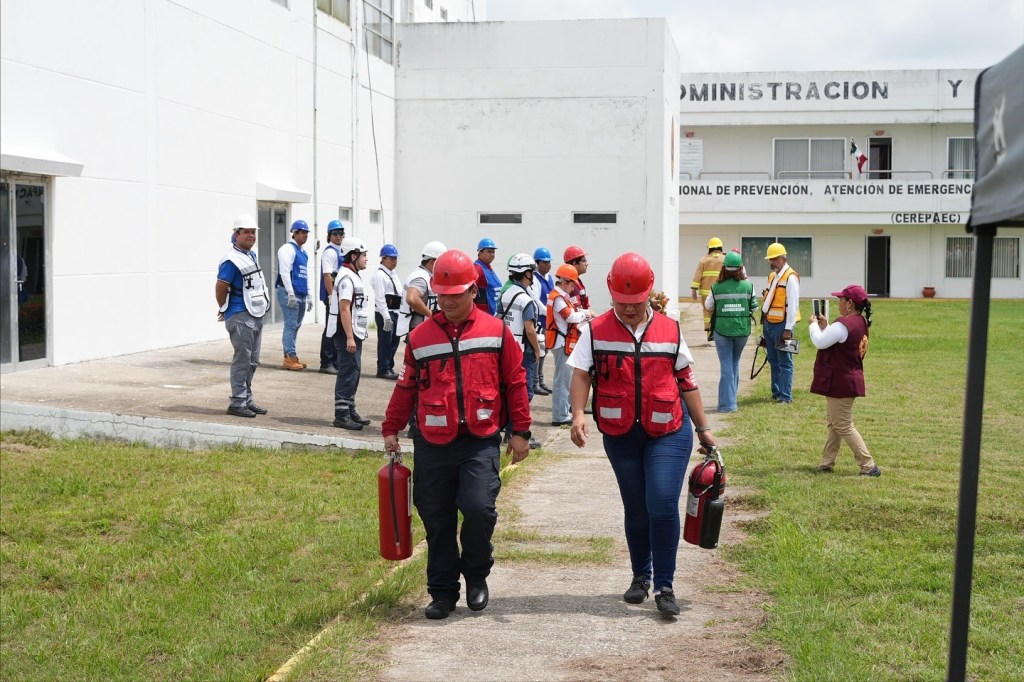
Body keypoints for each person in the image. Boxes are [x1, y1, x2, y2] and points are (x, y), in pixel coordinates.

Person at [382, 249, 531, 620]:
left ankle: (477, 575)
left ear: (473, 291)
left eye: (455, 294)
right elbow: (406, 387)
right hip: (431, 441)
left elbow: (515, 382)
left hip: (479, 440)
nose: (447, 301)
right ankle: (443, 592)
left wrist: (521, 431)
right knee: (436, 518)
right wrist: (390, 428)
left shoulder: (496, 332)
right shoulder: (419, 337)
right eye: (441, 294)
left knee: (479, 509)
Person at [568, 252, 717, 617]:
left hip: (668, 429)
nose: (629, 309)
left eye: (635, 303)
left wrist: (704, 429)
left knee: (662, 501)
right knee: (636, 507)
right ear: (610, 294)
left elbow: (686, 380)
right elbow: (581, 373)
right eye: (622, 302)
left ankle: (665, 586)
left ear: (648, 294)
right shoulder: (595, 330)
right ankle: (640, 577)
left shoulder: (670, 329)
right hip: (621, 433)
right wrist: (576, 414)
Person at [809, 284, 881, 477]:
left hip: (840, 382)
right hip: (849, 379)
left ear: (849, 303)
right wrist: (826, 327)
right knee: (835, 423)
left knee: (843, 425)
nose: (838, 303)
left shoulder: (843, 324)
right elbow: (837, 338)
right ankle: (827, 462)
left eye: (841, 300)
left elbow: (820, 341)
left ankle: (868, 465)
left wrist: (813, 326)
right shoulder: (860, 322)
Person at [215, 214, 270, 418]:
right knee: (242, 360)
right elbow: (221, 286)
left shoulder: (249, 255)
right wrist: (225, 308)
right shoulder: (231, 260)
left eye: (253, 232)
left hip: (255, 313)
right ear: (236, 234)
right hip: (240, 315)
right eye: (246, 232)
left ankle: (246, 398)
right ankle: (237, 402)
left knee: (252, 360)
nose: (251, 235)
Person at [497, 253, 544, 449]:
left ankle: (508, 431)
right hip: (523, 351)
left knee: (508, 390)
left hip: (505, 348)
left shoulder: (504, 294)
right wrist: (537, 350)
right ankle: (517, 432)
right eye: (531, 272)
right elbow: (530, 330)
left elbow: (498, 319)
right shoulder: (526, 300)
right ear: (526, 273)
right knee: (525, 393)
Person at [704, 251, 758, 412]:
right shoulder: (749, 286)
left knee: (727, 364)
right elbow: (754, 307)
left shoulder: (716, 287)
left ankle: (728, 405)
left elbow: (708, 306)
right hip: (742, 330)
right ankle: (730, 400)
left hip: (722, 331)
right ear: (741, 268)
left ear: (724, 268)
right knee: (734, 363)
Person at [328, 237, 370, 430]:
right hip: (346, 333)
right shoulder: (346, 277)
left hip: (354, 332)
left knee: (355, 371)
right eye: (363, 255)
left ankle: (350, 408)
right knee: (348, 371)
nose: (366, 259)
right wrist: (350, 337)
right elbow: (344, 308)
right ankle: (342, 414)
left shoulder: (352, 274)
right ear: (353, 256)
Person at [546, 263, 594, 426]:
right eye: (572, 283)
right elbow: (570, 317)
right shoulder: (558, 298)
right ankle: (560, 416)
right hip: (561, 343)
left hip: (563, 341)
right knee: (562, 380)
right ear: (565, 281)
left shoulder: (560, 296)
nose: (573, 287)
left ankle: (563, 412)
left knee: (565, 379)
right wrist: (586, 313)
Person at [760, 241, 800, 404]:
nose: (771, 262)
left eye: (774, 259)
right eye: (770, 259)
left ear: (783, 259)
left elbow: (793, 305)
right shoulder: (773, 276)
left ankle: (785, 395)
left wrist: (788, 329)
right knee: (773, 359)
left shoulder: (791, 277)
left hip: (783, 325)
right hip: (769, 323)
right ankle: (776, 392)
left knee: (785, 361)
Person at [276, 219, 313, 370]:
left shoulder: (303, 253)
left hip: (301, 293)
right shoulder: (287, 249)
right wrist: (290, 293)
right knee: (290, 325)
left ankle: (293, 355)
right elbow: (284, 272)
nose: (305, 235)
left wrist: (309, 295)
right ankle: (288, 357)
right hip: (288, 292)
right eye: (302, 232)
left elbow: (304, 275)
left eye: (306, 233)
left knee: (296, 326)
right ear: (294, 233)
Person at [396, 241, 446, 338]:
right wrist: (432, 316)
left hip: (421, 329)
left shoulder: (425, 275)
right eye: (442, 262)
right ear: (432, 262)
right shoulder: (421, 277)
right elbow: (412, 298)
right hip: (417, 331)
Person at [371, 243, 402, 380]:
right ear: (383, 259)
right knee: (385, 341)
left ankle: (389, 366)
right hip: (385, 312)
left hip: (395, 311)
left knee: (394, 341)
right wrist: (385, 316)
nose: (394, 261)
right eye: (391, 258)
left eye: (395, 258)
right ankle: (383, 368)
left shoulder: (392, 274)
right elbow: (380, 297)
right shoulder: (380, 275)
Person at [318, 220, 345, 375]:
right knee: (331, 328)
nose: (338, 236)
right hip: (333, 296)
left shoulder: (340, 251)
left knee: (336, 328)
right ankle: (326, 362)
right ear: (329, 235)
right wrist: (330, 296)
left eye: (341, 233)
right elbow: (328, 275)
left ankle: (334, 361)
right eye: (335, 233)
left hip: (339, 296)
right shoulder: (330, 252)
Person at [530, 247, 555, 396]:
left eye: (549, 262)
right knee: (538, 352)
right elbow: (536, 301)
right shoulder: (535, 279)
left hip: (549, 321)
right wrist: (549, 312)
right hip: (540, 321)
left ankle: (541, 380)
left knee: (545, 353)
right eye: (544, 262)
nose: (547, 265)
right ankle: (535, 383)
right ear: (537, 263)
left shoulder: (549, 278)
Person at [691, 237, 726, 332]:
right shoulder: (725, 259)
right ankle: (720, 331)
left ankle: (709, 331)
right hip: (721, 292)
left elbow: (697, 275)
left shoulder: (703, 260)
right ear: (721, 247)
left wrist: (694, 290)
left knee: (707, 311)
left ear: (709, 248)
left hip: (706, 293)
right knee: (720, 311)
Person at [473, 237, 502, 314]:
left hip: (493, 313)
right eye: (489, 251)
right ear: (480, 252)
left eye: (493, 252)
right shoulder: (478, 268)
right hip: (483, 313)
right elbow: (469, 291)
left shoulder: (488, 267)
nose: (492, 254)